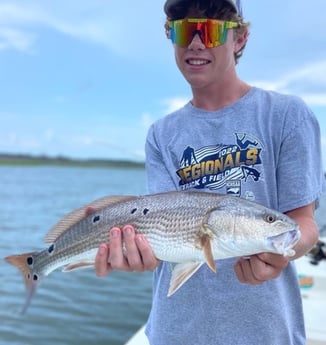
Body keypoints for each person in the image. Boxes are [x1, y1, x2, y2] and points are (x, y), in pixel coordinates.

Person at [95, 0, 325, 344]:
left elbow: (301, 223)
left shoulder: (286, 114)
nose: (197, 43)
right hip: (176, 331)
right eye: (184, 30)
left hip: (267, 331)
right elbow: (158, 222)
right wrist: (133, 252)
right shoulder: (161, 133)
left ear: (240, 38)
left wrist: (283, 254)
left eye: (212, 31)